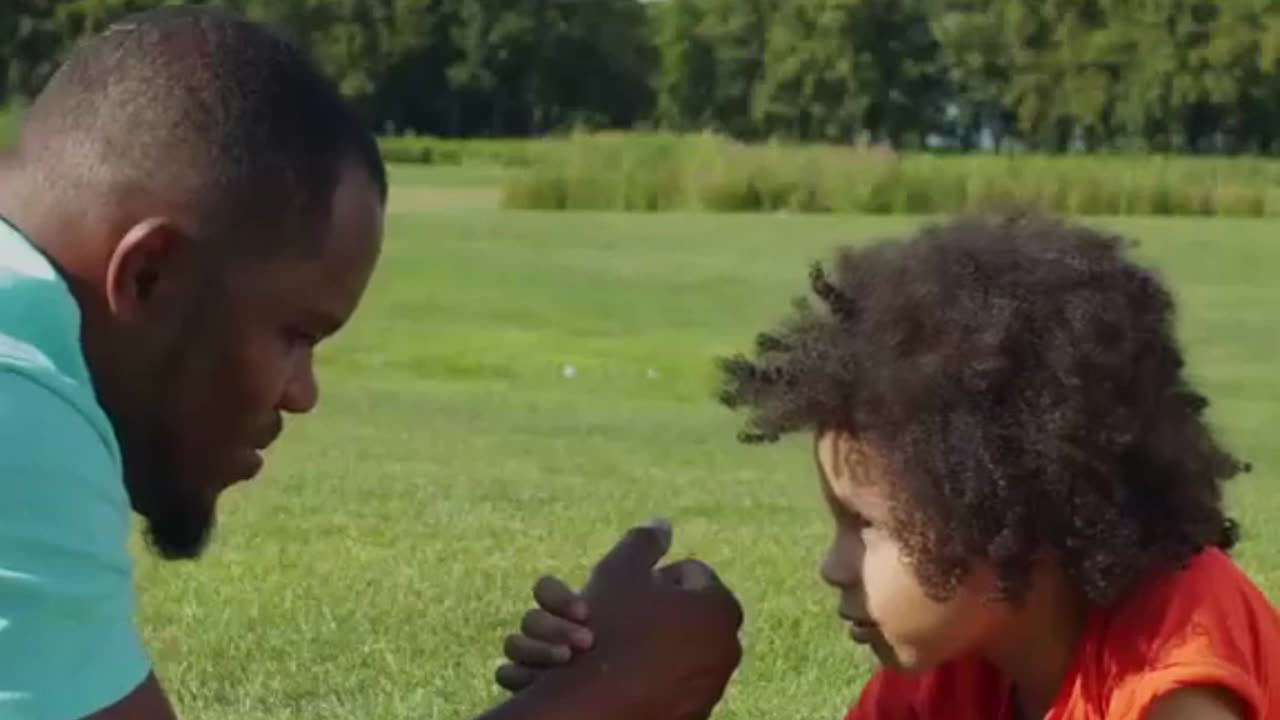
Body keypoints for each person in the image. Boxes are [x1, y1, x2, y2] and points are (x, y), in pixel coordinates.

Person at [0, 7, 742, 720]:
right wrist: (613, 691)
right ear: (149, 275)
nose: (303, 394)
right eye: (296, 333)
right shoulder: (18, 409)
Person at [497, 211, 1280, 719]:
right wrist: (617, 695)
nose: (832, 566)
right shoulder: (959, 670)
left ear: (1008, 517)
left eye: (865, 526)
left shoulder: (1176, 682)